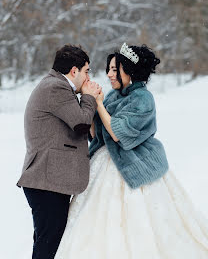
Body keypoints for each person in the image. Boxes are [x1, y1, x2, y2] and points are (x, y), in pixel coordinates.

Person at [55, 43, 208, 259]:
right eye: (109, 69)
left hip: (135, 163)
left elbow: (119, 133)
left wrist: (98, 103)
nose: (109, 74)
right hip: (104, 161)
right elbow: (96, 132)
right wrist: (88, 102)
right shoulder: (113, 96)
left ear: (130, 71)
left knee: (140, 219)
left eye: (114, 69)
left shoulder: (143, 99)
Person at [17, 45, 102, 259]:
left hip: (49, 181)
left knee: (49, 242)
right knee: (48, 245)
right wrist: (89, 97)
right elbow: (81, 123)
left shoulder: (54, 85)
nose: (88, 76)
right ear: (75, 71)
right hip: (46, 182)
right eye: (87, 71)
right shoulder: (55, 87)